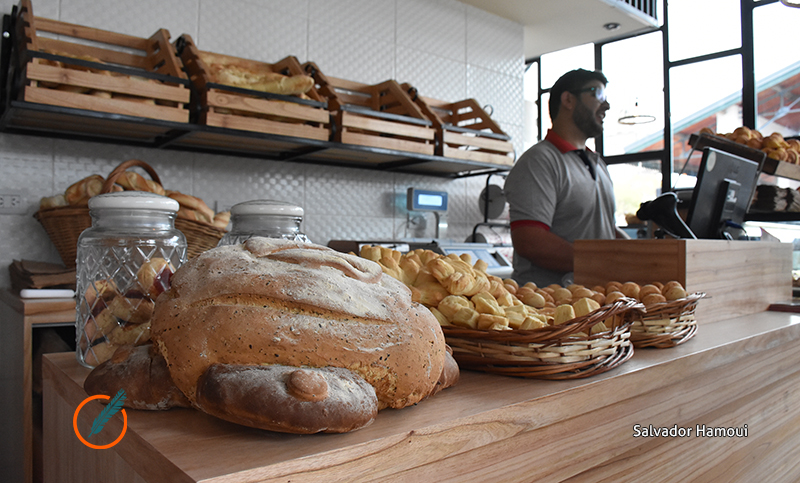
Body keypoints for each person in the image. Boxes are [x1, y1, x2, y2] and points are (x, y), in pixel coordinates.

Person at [503, 68, 628, 288]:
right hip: (549, 310)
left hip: (596, 302)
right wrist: (604, 262)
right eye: (598, 95)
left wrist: (638, 254)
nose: (606, 106)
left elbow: (605, 230)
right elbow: (530, 241)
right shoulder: (539, 161)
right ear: (568, 99)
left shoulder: (598, 163)